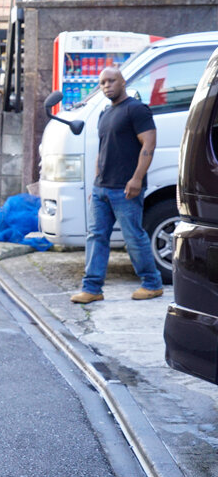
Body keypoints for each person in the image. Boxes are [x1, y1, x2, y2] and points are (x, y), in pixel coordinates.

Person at [70, 67, 163, 304]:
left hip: (125, 188)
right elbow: (103, 150)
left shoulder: (136, 109)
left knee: (134, 237)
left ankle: (152, 284)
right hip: (102, 188)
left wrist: (137, 178)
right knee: (96, 237)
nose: (106, 86)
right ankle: (92, 288)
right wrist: (96, 183)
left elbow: (149, 144)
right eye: (102, 83)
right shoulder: (105, 113)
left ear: (122, 82)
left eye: (111, 81)